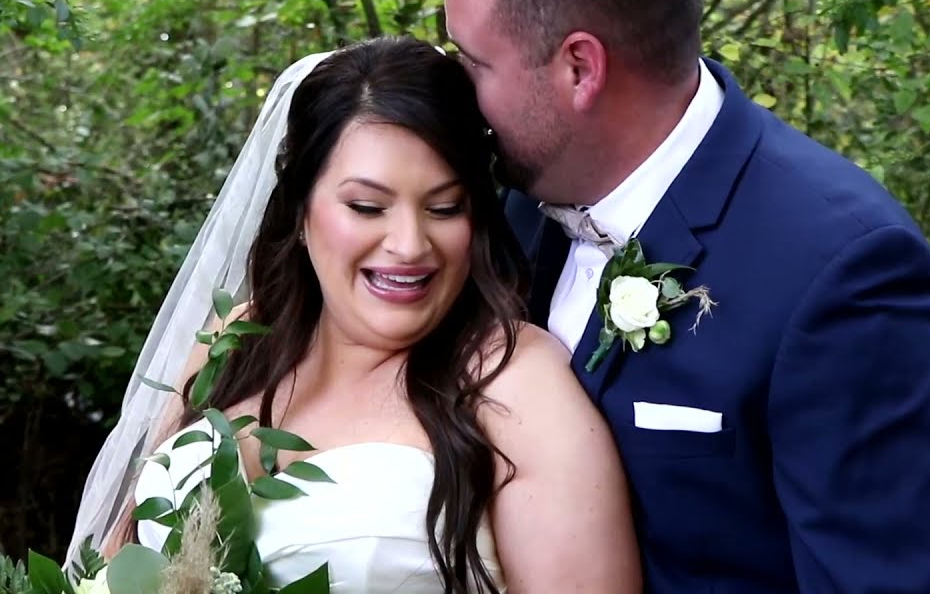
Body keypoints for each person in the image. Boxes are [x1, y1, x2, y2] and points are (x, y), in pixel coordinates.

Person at [442, 0, 930, 592]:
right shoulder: (500, 212)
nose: (458, 94)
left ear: (580, 67)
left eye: (474, 64)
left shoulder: (844, 270)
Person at [68, 36, 641, 592]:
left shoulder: (514, 379)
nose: (410, 244)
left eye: (444, 208)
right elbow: (123, 558)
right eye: (367, 206)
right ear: (299, 210)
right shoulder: (234, 339)